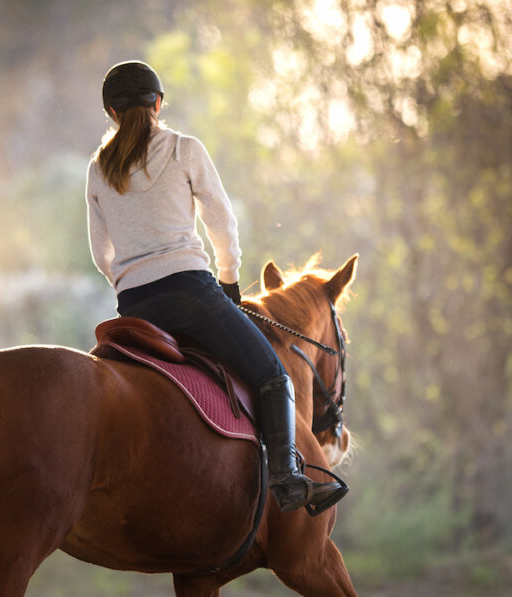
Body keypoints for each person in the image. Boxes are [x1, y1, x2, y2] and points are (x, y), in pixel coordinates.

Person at [85, 60, 347, 515]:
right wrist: (228, 280)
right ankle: (287, 478)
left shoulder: (97, 169)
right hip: (190, 294)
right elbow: (222, 223)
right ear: (158, 104)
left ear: (111, 112)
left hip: (132, 307)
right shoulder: (184, 149)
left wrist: (128, 284)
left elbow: (99, 253)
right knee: (272, 373)